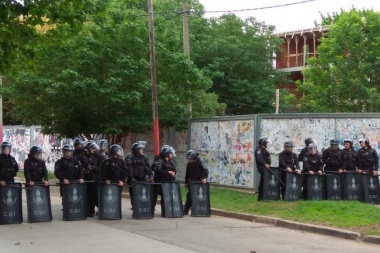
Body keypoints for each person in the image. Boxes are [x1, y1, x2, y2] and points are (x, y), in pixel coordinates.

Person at [77, 141, 104, 217]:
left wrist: (93, 168)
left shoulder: (95, 156)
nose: (94, 150)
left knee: (95, 195)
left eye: (94, 148)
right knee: (87, 195)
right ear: (87, 148)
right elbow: (79, 168)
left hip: (94, 179)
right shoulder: (81, 157)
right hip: (86, 179)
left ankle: (99, 209)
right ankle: (89, 210)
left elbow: (98, 168)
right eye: (92, 148)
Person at [125, 141, 152, 208]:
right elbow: (129, 168)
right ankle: (134, 207)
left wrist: (150, 175)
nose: (142, 150)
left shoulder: (144, 157)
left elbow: (148, 167)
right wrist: (131, 178)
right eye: (141, 149)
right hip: (133, 179)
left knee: (143, 193)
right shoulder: (130, 157)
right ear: (136, 149)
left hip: (142, 178)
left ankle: (142, 206)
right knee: (134, 194)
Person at [152, 145, 176, 217]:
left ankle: (166, 211)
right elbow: (158, 170)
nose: (171, 155)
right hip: (160, 182)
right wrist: (168, 172)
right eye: (170, 153)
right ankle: (151, 210)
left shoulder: (171, 162)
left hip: (168, 182)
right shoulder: (160, 161)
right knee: (155, 196)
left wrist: (174, 172)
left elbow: (174, 169)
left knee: (166, 197)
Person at [183, 150, 209, 215]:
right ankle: (185, 210)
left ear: (194, 158)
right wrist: (186, 182)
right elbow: (187, 174)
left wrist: (205, 178)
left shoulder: (200, 162)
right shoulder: (189, 164)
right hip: (192, 182)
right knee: (189, 196)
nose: (189, 160)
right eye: (189, 159)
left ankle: (199, 210)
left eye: (190, 159)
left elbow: (205, 170)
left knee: (198, 196)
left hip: (199, 182)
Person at [254, 136, 271, 201]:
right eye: (266, 143)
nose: (267, 144)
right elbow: (259, 158)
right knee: (262, 182)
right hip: (262, 168)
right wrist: (265, 164)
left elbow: (268, 159)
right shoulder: (259, 150)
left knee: (264, 182)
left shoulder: (265, 151)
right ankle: (260, 197)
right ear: (263, 143)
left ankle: (263, 196)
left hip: (265, 169)